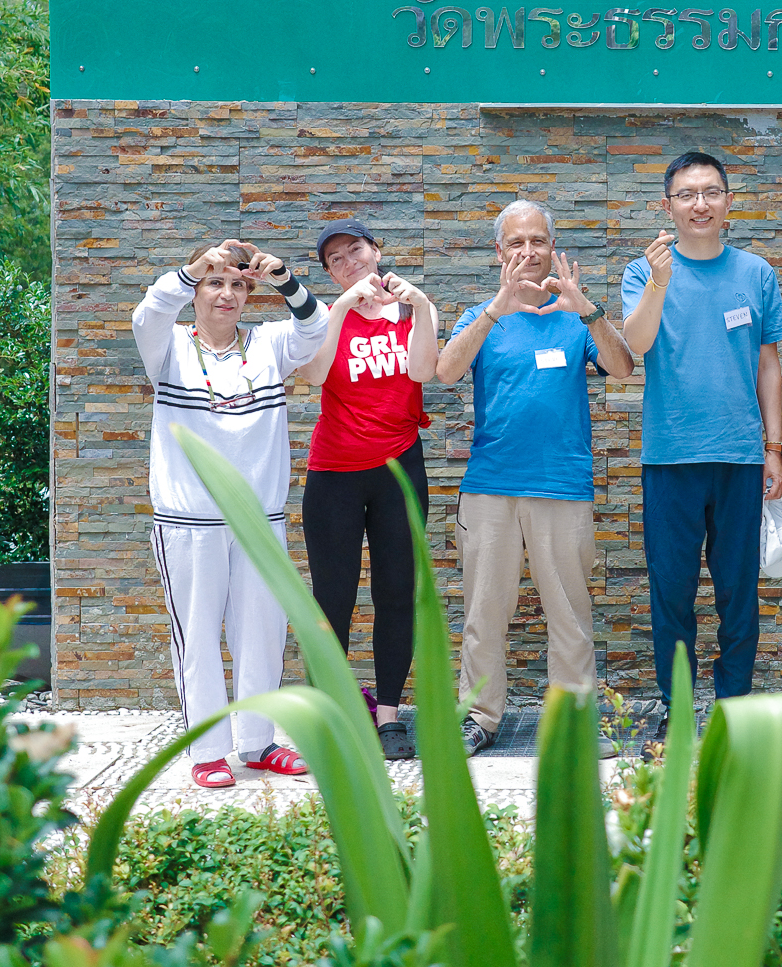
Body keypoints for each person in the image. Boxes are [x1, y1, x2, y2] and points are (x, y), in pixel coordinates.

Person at [436, 200, 635, 757]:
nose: (528, 252)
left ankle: (571, 720)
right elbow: (445, 371)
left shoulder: (576, 317)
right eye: (516, 243)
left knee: (570, 613)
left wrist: (590, 310)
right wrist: (496, 310)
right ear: (500, 253)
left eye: (538, 241)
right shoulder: (484, 314)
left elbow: (622, 368)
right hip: (490, 486)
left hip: (562, 486)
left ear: (553, 247)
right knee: (483, 611)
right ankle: (479, 717)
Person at [132, 238, 327, 788]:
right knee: (196, 635)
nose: (226, 293)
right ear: (196, 290)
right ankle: (209, 751)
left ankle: (259, 742)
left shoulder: (268, 343)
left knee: (262, 632)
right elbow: (149, 310)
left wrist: (284, 279)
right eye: (215, 282)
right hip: (189, 522)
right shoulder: (166, 345)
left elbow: (317, 327)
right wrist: (191, 268)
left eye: (237, 284)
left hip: (260, 519)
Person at [621, 151, 782, 733]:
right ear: (667, 205)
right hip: (670, 456)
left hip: (741, 456)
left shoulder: (756, 274)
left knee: (738, 590)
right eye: (687, 194)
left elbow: (770, 365)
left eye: (711, 192)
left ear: (728, 201)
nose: (700, 204)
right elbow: (635, 345)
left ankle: (733, 706)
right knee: (672, 589)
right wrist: (661, 282)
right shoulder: (644, 271)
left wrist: (774, 447)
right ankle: (678, 707)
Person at [293, 220, 439, 761]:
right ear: (330, 273)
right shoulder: (324, 316)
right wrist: (337, 310)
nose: (349, 263)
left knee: (397, 593)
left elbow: (424, 369)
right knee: (333, 597)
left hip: (399, 468)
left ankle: (391, 715)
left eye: (355, 250)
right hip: (335, 471)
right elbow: (313, 374)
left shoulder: (414, 309)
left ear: (377, 251)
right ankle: (329, 713)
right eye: (336, 260)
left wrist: (422, 307)